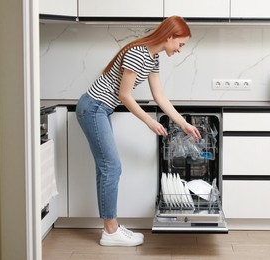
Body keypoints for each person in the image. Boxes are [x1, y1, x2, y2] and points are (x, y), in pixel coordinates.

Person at [75, 16, 201, 247]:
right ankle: (110, 232)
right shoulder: (137, 52)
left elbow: (160, 96)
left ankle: (111, 228)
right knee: (111, 168)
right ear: (169, 36)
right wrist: (148, 121)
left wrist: (183, 123)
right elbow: (124, 95)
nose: (180, 49)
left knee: (107, 168)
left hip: (100, 109)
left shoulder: (152, 58)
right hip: (93, 108)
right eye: (180, 44)